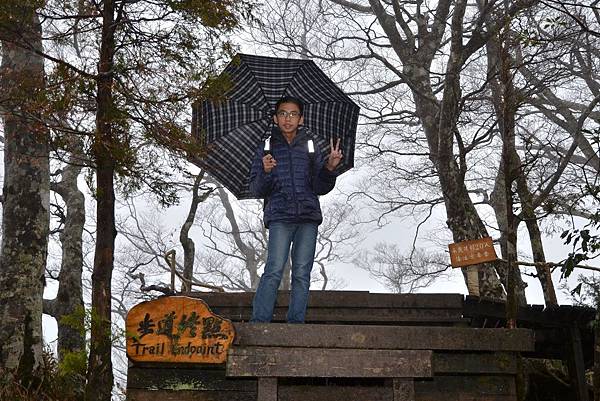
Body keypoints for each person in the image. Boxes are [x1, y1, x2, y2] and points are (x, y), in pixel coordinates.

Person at [249, 96, 343, 323]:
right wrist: (266, 171)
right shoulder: (266, 148)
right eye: (283, 113)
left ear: (301, 119)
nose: (287, 118)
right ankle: (259, 322)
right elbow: (256, 188)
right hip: (280, 216)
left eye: (293, 114)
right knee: (273, 269)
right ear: (275, 117)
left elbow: (319, 186)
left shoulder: (310, 147)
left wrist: (330, 168)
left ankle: (296, 324)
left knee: (302, 273)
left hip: (308, 217)